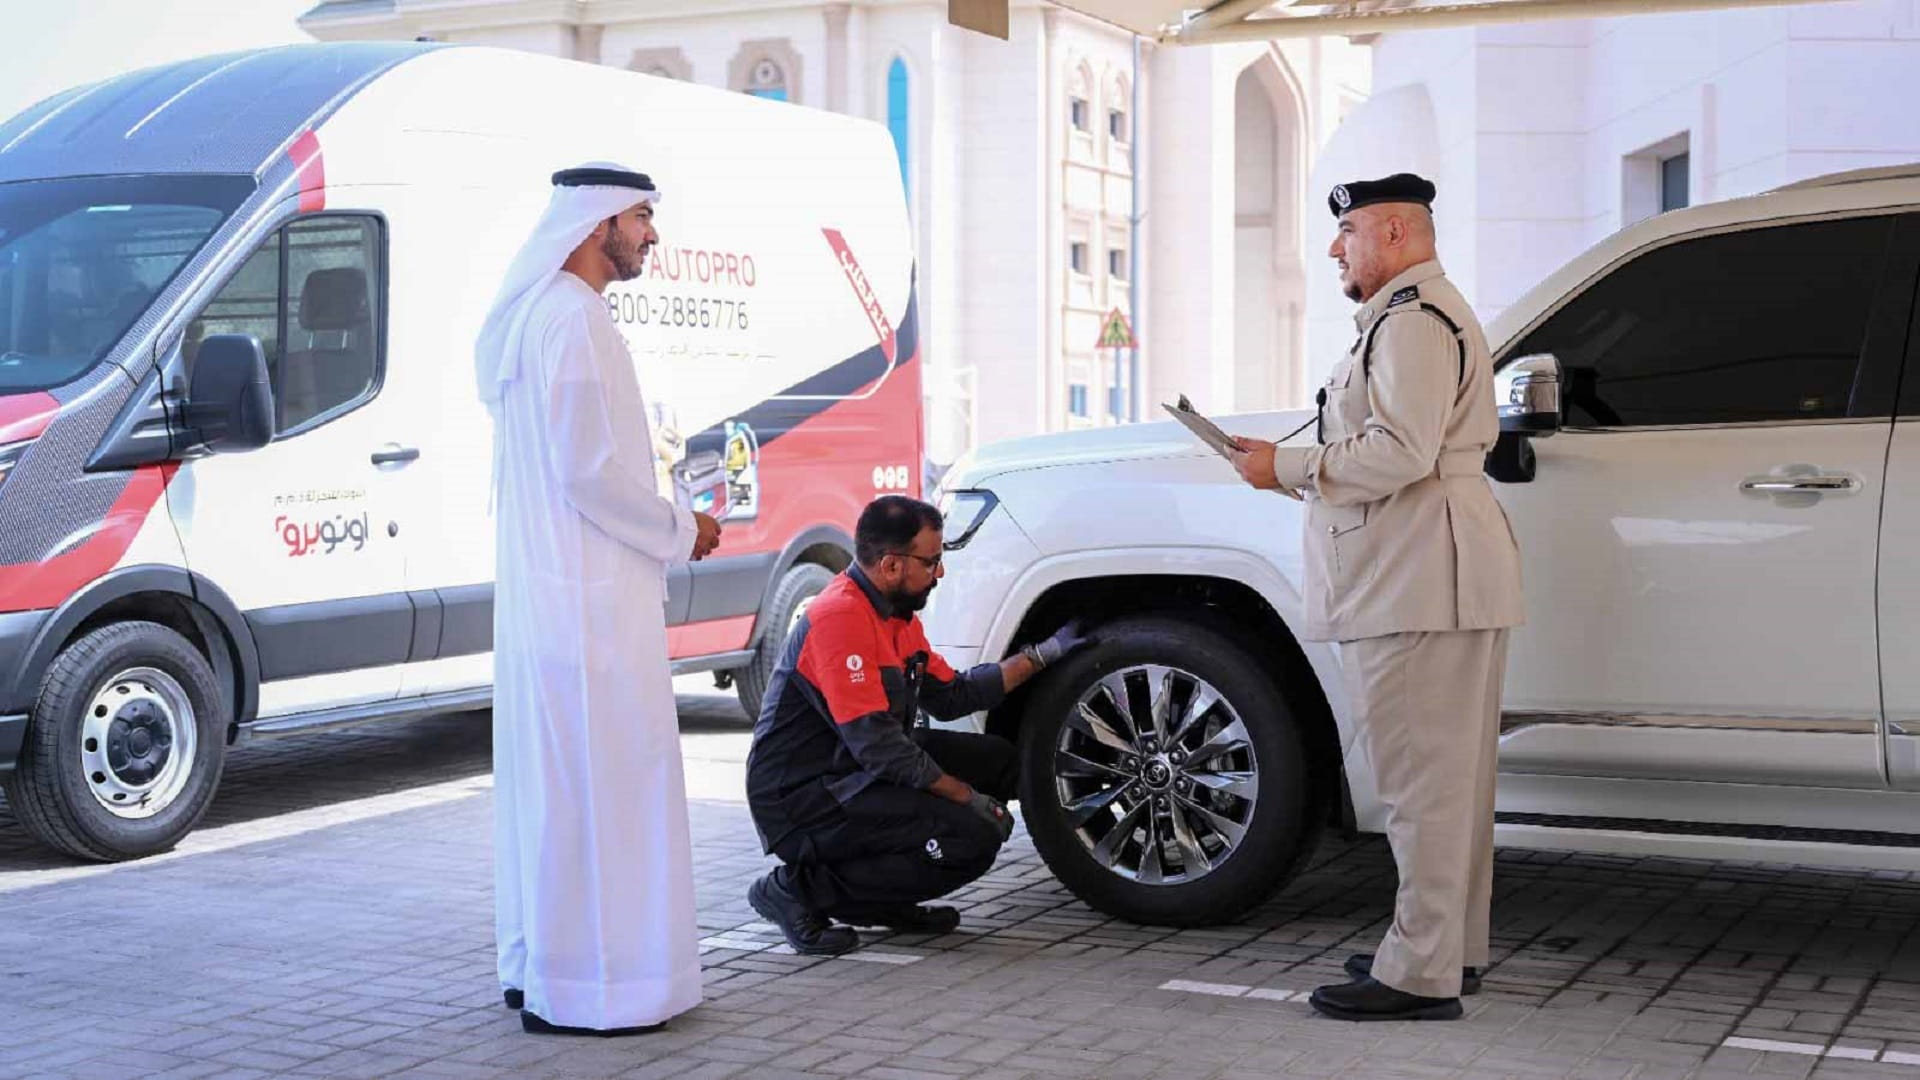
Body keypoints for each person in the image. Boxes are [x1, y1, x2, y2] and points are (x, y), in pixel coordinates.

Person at [1226, 173, 1524, 1022]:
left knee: (1419, 789)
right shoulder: (1414, 318)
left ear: (1394, 233)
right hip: (1438, 569)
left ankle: (1418, 973)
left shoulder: (1413, 323)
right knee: (1449, 787)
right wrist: (1284, 466)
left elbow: (1398, 452)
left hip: (1417, 577)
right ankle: (1444, 951)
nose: (1335, 248)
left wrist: (1284, 466)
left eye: (1347, 230)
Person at [475, 163, 723, 1037]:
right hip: (590, 605)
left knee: (563, 793)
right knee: (603, 790)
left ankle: (544, 968)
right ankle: (594, 988)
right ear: (595, 223)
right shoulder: (572, 323)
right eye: (643, 217)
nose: (652, 235)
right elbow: (589, 472)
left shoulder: (547, 318)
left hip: (566, 599)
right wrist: (677, 525)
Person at [743, 496, 1094, 955]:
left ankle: (884, 897)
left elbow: (952, 696)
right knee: (972, 837)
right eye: (932, 561)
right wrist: (966, 797)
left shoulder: (895, 616)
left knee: (1002, 763)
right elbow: (879, 747)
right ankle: (796, 889)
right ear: (891, 565)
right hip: (806, 796)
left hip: (853, 766)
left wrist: (1041, 655)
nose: (940, 572)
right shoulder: (839, 619)